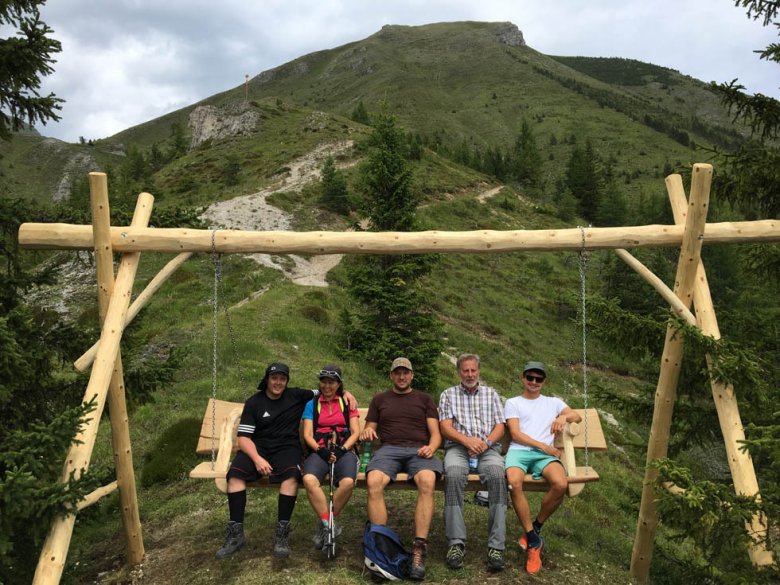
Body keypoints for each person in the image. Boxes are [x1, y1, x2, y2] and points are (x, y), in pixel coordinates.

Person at [215, 361, 355, 560]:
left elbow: (326, 390)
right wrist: (257, 459)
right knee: (235, 476)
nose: (278, 382)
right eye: (274, 378)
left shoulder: (296, 396)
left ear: (286, 381)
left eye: (282, 379)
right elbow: (244, 438)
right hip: (257, 447)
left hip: (286, 447)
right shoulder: (254, 402)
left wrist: (346, 392)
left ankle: (281, 537)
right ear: (267, 379)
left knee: (290, 477)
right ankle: (235, 535)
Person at [359, 357, 443, 581]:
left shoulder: (425, 399)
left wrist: (432, 447)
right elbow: (369, 428)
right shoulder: (380, 399)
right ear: (391, 376)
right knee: (374, 481)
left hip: (419, 450)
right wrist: (367, 432)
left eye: (406, 373)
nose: (402, 376)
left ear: (412, 375)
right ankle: (381, 547)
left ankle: (419, 549)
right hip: (389, 450)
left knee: (427, 481)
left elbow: (435, 433)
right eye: (397, 373)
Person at [504, 361, 582, 575]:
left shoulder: (553, 402)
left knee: (560, 483)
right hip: (520, 451)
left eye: (538, 379)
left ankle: (535, 528)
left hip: (543, 456)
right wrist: (544, 447)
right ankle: (532, 539)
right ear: (523, 379)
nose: (534, 382)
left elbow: (577, 415)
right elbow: (516, 434)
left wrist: (564, 416)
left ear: (544, 382)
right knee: (513, 481)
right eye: (530, 378)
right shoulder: (513, 402)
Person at [438, 353, 507, 571]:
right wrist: (467, 441)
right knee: (454, 474)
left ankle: (496, 546)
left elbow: (500, 426)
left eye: (473, 370)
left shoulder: (491, 394)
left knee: (497, 475)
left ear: (479, 371)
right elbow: (445, 427)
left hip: (487, 448)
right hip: (458, 447)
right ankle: (456, 543)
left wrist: (485, 443)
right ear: (459, 372)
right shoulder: (448, 395)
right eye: (465, 370)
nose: (469, 374)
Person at [301, 365, 360, 550]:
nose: (327, 386)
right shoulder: (312, 404)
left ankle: (325, 523)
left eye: (331, 382)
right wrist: (320, 451)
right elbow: (308, 435)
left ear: (338, 384)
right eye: (324, 382)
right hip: (320, 451)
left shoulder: (346, 402)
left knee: (348, 482)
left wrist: (343, 449)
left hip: (344, 450)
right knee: (309, 480)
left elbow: (356, 432)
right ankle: (329, 525)